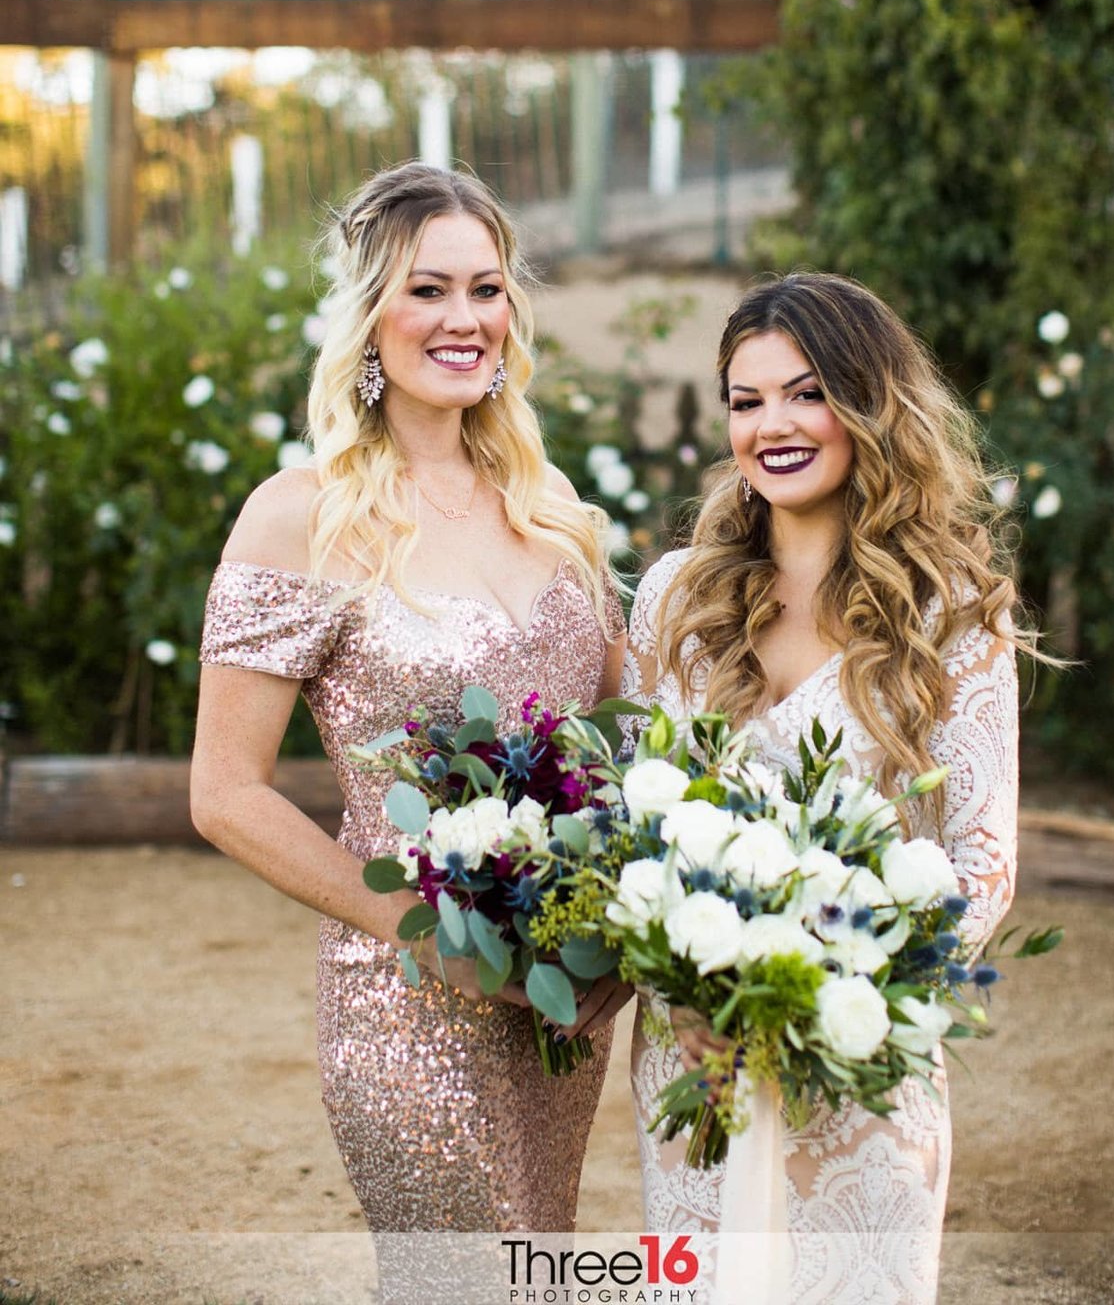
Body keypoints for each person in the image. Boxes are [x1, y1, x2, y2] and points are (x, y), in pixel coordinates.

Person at [191, 163, 629, 1295]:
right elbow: (225, 794)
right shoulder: (301, 515)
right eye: (428, 290)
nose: (464, 319)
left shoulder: (556, 509)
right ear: (370, 314)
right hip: (407, 1006)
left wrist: (621, 942)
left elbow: (628, 746)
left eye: (486, 290)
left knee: (540, 1267)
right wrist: (423, 934)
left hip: (561, 1001)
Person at [621, 272, 1025, 1304]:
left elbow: (981, 863)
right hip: (695, 1056)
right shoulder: (679, 597)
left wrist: (836, 993)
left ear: (868, 405)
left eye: (806, 393)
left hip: (858, 1056)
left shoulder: (952, 612)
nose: (773, 425)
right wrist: (686, 986)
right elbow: (636, 821)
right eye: (746, 401)